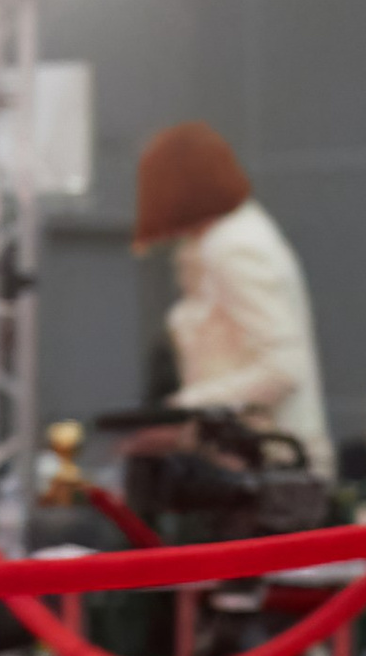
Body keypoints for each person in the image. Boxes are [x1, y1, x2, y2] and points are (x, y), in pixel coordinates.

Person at [135, 123, 333, 477]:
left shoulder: (235, 247)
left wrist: (184, 410)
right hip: (240, 462)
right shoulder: (218, 243)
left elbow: (282, 367)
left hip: (264, 469)